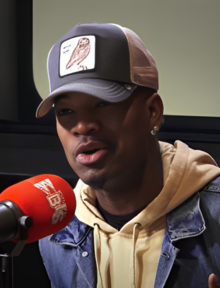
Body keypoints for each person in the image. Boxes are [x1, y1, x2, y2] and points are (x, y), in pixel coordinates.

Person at [37, 23, 220, 288]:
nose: (82, 126)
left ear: (152, 112)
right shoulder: (57, 231)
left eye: (103, 104)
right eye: (65, 112)